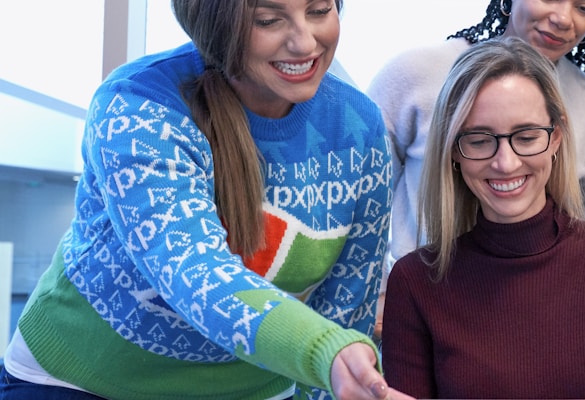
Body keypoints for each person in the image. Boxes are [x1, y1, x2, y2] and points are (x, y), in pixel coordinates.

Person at [0, 1, 409, 399]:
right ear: (217, 22)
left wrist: (341, 369)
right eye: (268, 19)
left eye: (319, 11)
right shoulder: (136, 104)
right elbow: (193, 269)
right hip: (84, 380)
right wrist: (324, 349)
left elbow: (347, 302)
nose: (305, 43)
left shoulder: (359, 125)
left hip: (257, 389)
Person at [380, 37, 585, 399]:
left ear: (556, 138)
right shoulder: (415, 281)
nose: (506, 163)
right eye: (481, 140)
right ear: (454, 150)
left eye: (527, 137)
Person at [366, 0, 585, 339]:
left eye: (584, 6)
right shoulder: (416, 73)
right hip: (419, 311)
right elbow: (360, 200)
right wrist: (381, 291)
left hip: (533, 322)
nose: (564, 19)